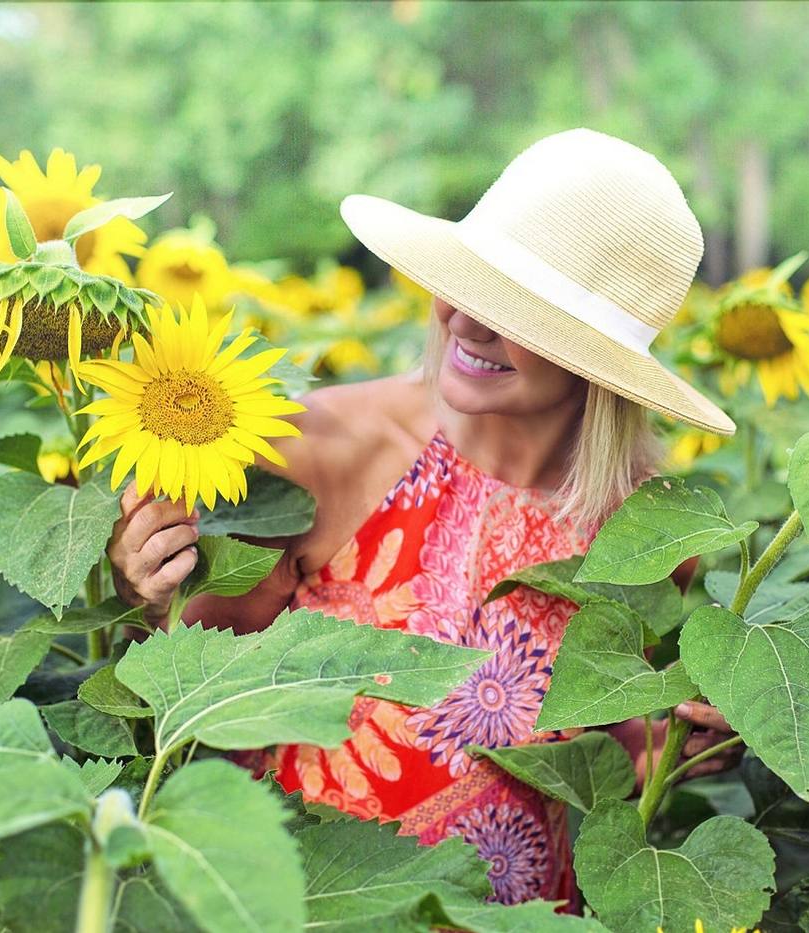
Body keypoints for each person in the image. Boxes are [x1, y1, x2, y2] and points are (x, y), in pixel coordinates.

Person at [106, 128, 744, 906]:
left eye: (519, 314)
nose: (468, 325)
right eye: (466, 285)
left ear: (592, 357)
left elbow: (606, 767)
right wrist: (150, 581)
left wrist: (683, 743)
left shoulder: (649, 531)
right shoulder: (323, 451)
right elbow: (190, 704)